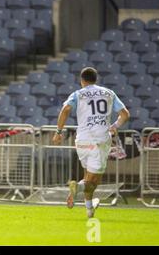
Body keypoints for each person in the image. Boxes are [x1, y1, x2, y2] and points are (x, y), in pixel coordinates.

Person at [52, 67, 130, 218]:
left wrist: (58, 132)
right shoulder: (109, 93)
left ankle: (89, 209)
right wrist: (114, 126)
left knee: (89, 175)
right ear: (96, 79)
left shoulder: (77, 94)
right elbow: (125, 114)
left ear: (82, 80)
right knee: (94, 180)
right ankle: (78, 188)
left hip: (81, 141)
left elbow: (66, 109)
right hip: (100, 140)